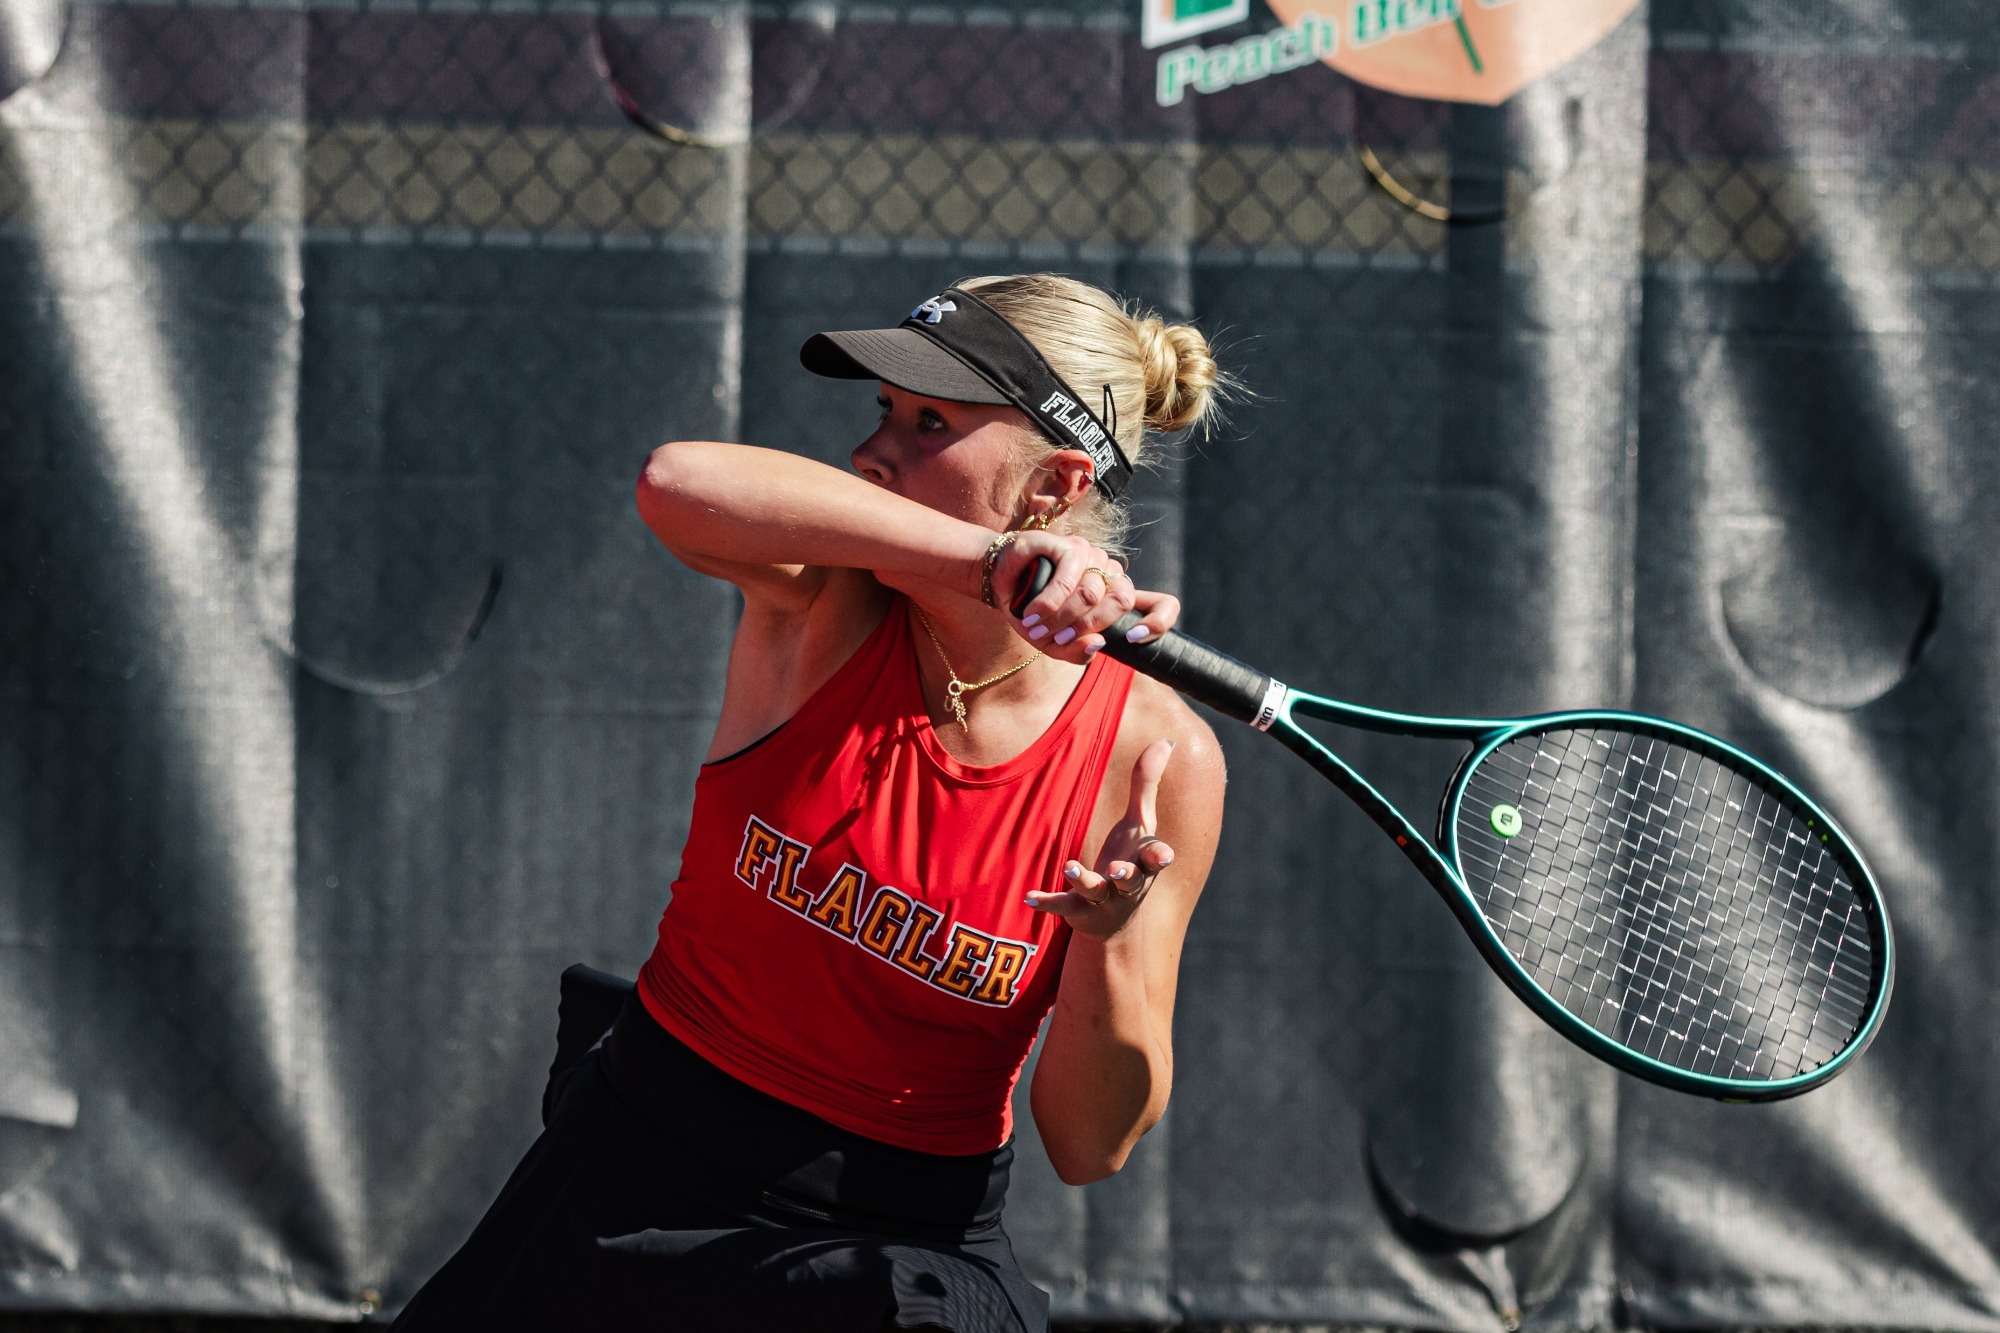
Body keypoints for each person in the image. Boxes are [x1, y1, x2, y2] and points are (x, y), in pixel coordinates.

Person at [390, 274, 1231, 1332]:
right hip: (635, 1164)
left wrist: (1106, 944)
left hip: (893, 1239)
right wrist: (988, 562)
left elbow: (1088, 1141)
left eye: (931, 423)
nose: (875, 451)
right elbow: (673, 482)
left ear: (1054, 480)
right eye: (882, 410)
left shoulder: (1158, 758)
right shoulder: (826, 596)